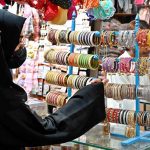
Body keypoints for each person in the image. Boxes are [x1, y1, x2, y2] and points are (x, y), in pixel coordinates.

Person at [0, 9, 107, 150]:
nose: (21, 46)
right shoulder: (4, 97)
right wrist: (90, 95)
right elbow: (43, 130)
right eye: (18, 40)